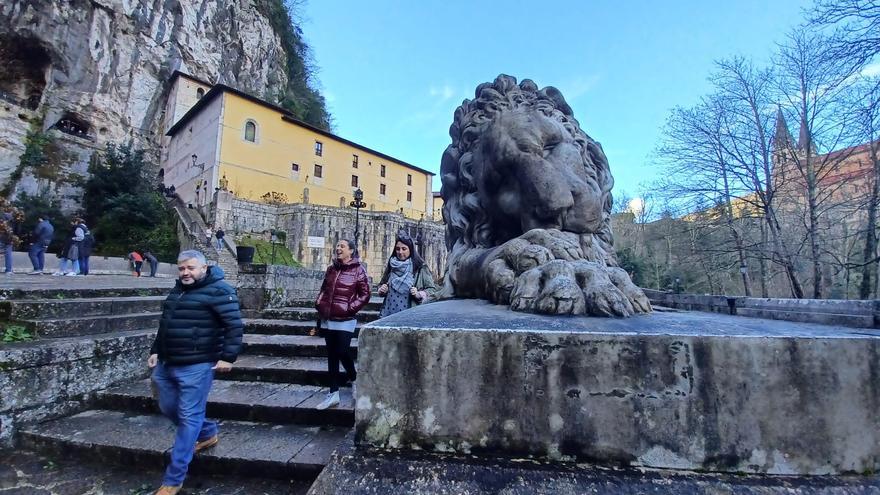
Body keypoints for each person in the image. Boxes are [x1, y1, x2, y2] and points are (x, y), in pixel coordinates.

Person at [148, 250, 243, 495]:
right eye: (182, 269)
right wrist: (156, 349)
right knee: (167, 407)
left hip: (197, 364)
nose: (186, 273)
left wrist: (227, 357)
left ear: (203, 268)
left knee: (188, 416)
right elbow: (165, 322)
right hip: (167, 362)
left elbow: (233, 325)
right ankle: (208, 432)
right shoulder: (178, 290)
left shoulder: (220, 290)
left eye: (190, 268)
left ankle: (173, 479)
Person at [314, 238, 370, 410]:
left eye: (342, 246)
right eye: (337, 246)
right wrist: (319, 303)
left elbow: (365, 294)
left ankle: (354, 378)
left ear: (351, 251)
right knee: (331, 355)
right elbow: (324, 289)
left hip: (346, 318)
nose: (338, 248)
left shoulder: (358, 270)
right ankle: (333, 393)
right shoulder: (331, 269)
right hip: (328, 317)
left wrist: (349, 308)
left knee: (342, 351)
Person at [377, 232, 438, 318]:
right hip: (389, 312)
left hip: (410, 313)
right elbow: (381, 284)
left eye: (404, 249)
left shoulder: (420, 267)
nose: (400, 252)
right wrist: (381, 289)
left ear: (410, 249)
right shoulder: (392, 265)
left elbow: (432, 290)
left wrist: (419, 294)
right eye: (397, 249)